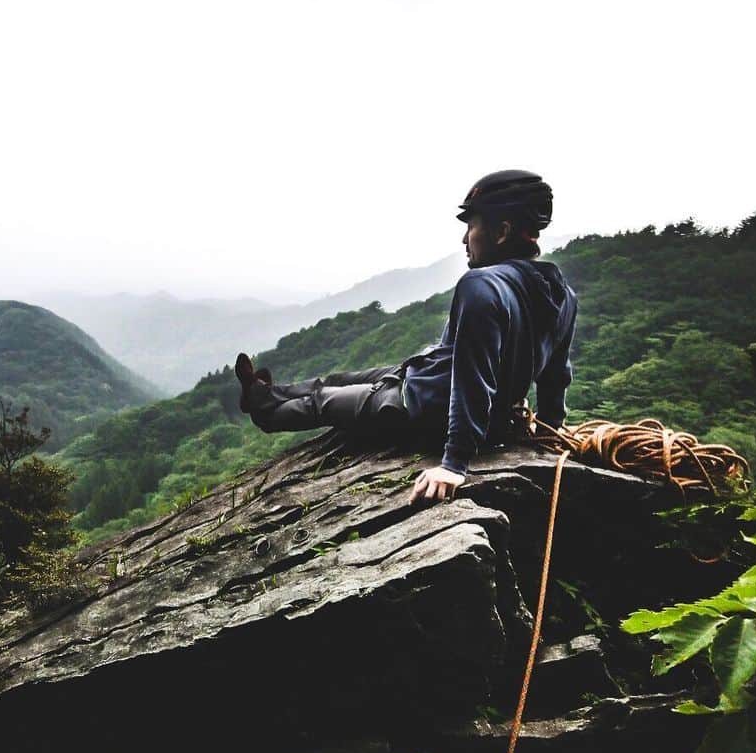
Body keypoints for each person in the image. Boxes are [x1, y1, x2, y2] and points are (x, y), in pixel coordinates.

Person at [235, 170, 578, 505]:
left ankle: (262, 410)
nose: (464, 239)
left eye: (472, 226)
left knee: (322, 401)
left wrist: (454, 463)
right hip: (428, 378)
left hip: (422, 405)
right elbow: (555, 377)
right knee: (338, 380)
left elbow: (474, 378)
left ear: (501, 231)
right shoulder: (563, 296)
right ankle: (265, 391)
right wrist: (552, 433)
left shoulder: (482, 286)